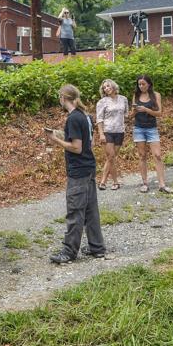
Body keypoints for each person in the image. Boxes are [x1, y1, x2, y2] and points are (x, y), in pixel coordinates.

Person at [45, 84, 108, 264]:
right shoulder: (85, 116)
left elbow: (76, 147)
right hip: (89, 167)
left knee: (75, 211)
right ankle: (97, 247)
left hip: (78, 170)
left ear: (63, 98)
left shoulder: (73, 118)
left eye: (59, 97)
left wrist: (55, 139)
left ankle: (69, 251)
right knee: (90, 210)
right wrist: (61, 134)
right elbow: (89, 142)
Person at [131, 75, 173, 193]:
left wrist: (146, 110)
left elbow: (159, 113)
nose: (141, 86)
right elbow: (131, 115)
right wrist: (134, 111)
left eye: (143, 84)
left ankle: (162, 184)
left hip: (151, 129)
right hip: (138, 128)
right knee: (142, 156)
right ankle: (144, 183)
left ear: (149, 84)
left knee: (157, 155)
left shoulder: (156, 95)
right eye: (139, 84)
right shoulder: (136, 95)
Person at [95, 79, 128, 190]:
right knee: (111, 156)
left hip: (120, 132)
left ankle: (104, 181)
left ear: (113, 86)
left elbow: (126, 114)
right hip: (107, 132)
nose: (106, 89)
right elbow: (99, 119)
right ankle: (113, 182)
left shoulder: (123, 99)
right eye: (104, 87)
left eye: (108, 86)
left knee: (111, 158)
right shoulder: (102, 102)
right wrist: (101, 134)